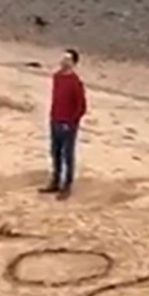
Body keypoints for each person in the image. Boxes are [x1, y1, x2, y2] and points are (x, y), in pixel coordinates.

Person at [39, 48, 87, 199]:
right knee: (55, 152)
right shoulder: (57, 77)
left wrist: (71, 122)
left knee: (68, 154)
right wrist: (53, 116)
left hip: (67, 124)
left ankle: (67, 185)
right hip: (55, 120)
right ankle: (55, 180)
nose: (64, 62)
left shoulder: (75, 83)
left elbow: (81, 106)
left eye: (68, 60)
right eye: (63, 59)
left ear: (73, 63)